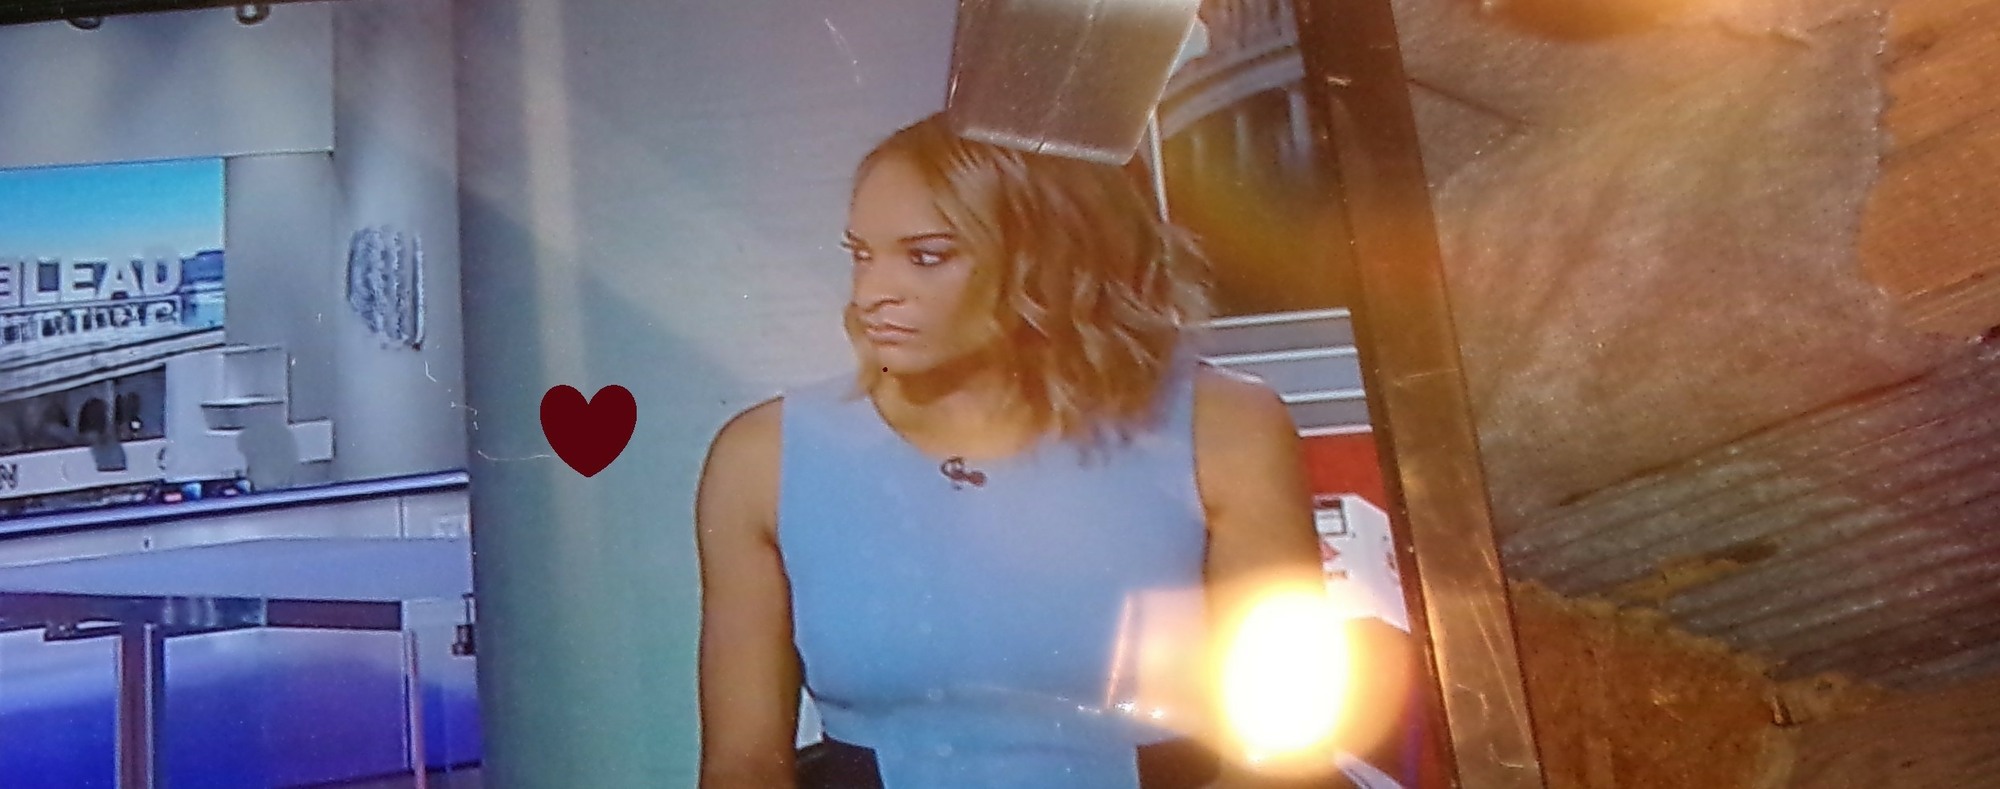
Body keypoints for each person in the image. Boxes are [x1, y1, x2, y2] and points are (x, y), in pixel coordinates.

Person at [695, 113, 1355, 788]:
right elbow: (742, 768)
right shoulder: (764, 458)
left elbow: (1285, 760)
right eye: (862, 255)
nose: (871, 294)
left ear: (1049, 256)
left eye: (927, 257)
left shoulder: (1224, 426)